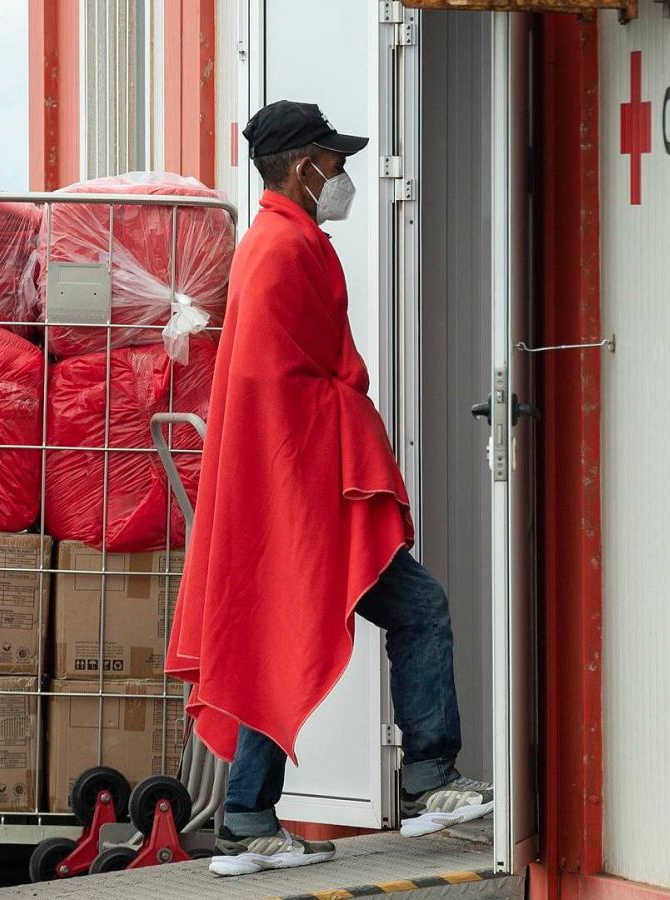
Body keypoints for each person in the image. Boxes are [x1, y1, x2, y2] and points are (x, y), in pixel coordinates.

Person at [165, 101, 493, 878]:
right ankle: (429, 779)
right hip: (308, 490)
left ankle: (247, 819)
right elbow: (287, 382)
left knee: (270, 639)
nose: (343, 174)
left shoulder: (271, 242)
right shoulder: (288, 247)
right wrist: (347, 414)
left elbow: (272, 381)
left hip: (288, 483)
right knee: (419, 609)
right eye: (335, 161)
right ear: (305, 164)